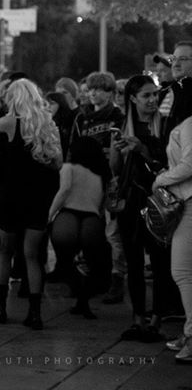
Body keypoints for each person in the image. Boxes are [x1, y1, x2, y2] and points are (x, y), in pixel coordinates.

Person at [0, 78, 62, 330]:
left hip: (11, 196)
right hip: (37, 198)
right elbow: (58, 164)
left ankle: (1, 307)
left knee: (5, 252)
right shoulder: (48, 125)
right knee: (32, 256)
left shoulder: (10, 123)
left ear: (13, 98)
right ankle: (35, 314)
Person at [110, 73, 173, 342]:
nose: (152, 99)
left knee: (160, 263)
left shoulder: (167, 125)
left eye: (154, 94)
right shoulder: (125, 126)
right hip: (132, 203)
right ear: (133, 98)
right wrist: (117, 151)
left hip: (160, 201)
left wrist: (143, 150)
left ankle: (157, 318)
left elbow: (169, 166)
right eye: (146, 95)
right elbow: (115, 170)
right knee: (134, 262)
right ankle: (138, 318)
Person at [70, 71, 126, 304]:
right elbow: (72, 150)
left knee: (113, 233)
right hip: (86, 180)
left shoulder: (118, 116)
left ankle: (116, 278)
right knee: (88, 230)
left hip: (112, 179)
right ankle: (93, 274)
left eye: (100, 89)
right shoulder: (82, 118)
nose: (93, 93)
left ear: (110, 92)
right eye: (91, 89)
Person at [47, 137, 112, 321]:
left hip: (68, 216)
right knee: (94, 264)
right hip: (91, 219)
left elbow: (64, 190)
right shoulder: (101, 174)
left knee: (64, 260)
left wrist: (50, 214)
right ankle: (83, 300)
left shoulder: (68, 168)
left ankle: (76, 287)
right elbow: (102, 204)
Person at [151, 111, 192, 364]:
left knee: (182, 272)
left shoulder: (189, 124)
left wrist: (161, 180)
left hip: (189, 201)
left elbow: (189, 164)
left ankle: (191, 336)